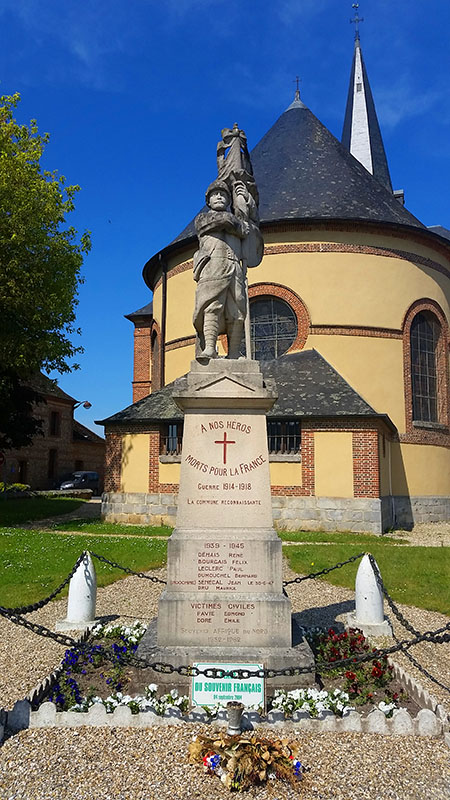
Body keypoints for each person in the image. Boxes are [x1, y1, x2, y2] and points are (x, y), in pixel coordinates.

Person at [192, 179, 252, 359]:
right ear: (208, 201)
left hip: (234, 266)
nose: (219, 197)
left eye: (223, 195)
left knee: (238, 311)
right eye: (215, 195)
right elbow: (226, 223)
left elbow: (245, 230)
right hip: (213, 266)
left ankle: (234, 352)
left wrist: (244, 202)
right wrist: (236, 223)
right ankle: (210, 348)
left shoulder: (234, 219)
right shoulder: (202, 218)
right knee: (212, 306)